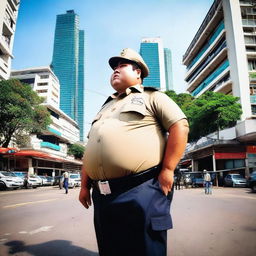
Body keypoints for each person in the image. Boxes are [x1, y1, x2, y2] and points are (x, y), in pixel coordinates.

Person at [79, 48, 189, 256]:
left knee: (145, 248)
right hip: (103, 195)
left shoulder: (152, 97)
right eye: (114, 67)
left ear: (138, 72)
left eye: (122, 66)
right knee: (110, 247)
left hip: (141, 188)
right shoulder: (105, 107)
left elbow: (180, 126)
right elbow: (90, 149)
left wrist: (167, 169)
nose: (115, 70)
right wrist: (84, 186)